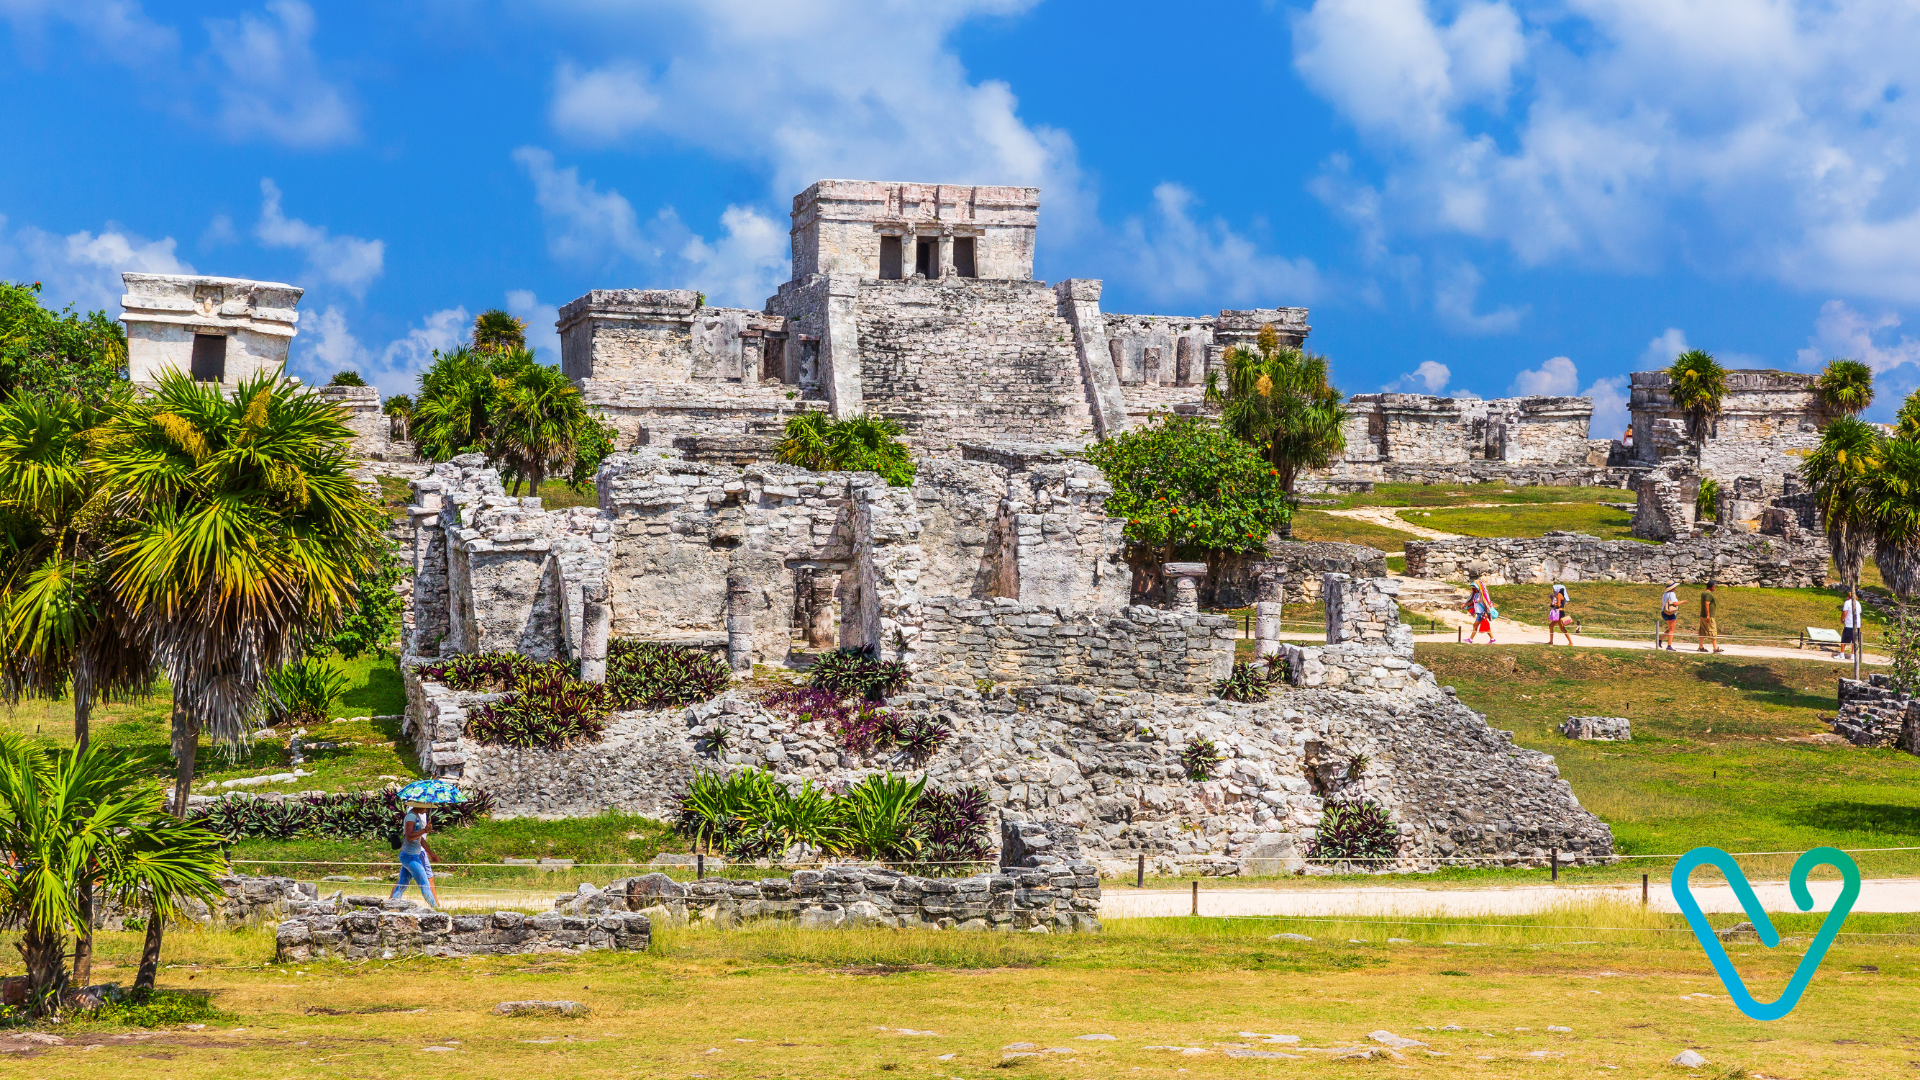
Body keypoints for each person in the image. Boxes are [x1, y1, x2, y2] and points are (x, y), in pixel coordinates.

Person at [391, 802, 439, 908]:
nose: (426, 809)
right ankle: (435, 909)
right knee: (425, 884)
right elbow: (409, 836)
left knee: (402, 884)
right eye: (425, 806)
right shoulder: (411, 816)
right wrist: (424, 830)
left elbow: (420, 839)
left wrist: (431, 853)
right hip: (410, 856)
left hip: (413, 855)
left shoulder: (416, 816)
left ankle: (392, 905)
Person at [1464, 573, 1497, 644]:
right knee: (1485, 627)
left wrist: (1485, 612)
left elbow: (1486, 604)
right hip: (1479, 613)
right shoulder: (1476, 595)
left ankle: (1470, 640)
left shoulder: (1482, 596)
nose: (1474, 589)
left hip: (1481, 613)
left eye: (1475, 587)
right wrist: (1464, 605)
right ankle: (1492, 639)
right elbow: (1472, 602)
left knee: (1475, 626)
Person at [1697, 582, 1723, 654]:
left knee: (1702, 631)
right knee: (1712, 631)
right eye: (1714, 586)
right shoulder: (1708, 594)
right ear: (1712, 586)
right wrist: (1708, 614)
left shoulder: (1704, 593)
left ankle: (1700, 647)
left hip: (1702, 615)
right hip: (1708, 616)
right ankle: (1715, 648)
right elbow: (1706, 604)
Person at [1841, 589, 1862, 661]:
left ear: (1848, 597)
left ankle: (1842, 654)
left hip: (1849, 623)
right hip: (1857, 624)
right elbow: (1859, 614)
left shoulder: (1847, 602)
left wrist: (1842, 619)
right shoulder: (1858, 603)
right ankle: (1852, 655)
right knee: (1854, 640)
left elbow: (1844, 613)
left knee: (1844, 639)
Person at [1659, 582, 1680, 651]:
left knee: (1670, 628)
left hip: (1664, 612)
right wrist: (1682, 602)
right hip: (1670, 613)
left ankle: (1660, 640)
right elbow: (1675, 603)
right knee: (1671, 630)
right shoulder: (1672, 594)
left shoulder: (1664, 594)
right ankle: (1669, 645)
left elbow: (1662, 603)